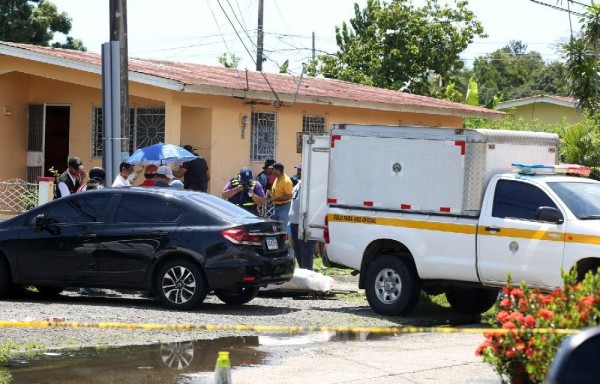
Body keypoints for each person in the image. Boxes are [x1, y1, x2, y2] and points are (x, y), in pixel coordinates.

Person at [289, 176, 316, 270]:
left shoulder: (310, 185)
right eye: (298, 170)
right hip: (295, 222)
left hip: (304, 222)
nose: (299, 172)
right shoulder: (298, 184)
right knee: (297, 249)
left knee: (305, 249)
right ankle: (302, 270)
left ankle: (308, 272)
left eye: (300, 170)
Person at [267, 163, 293, 229]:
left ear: (278, 170)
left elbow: (289, 196)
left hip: (284, 207)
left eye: (273, 169)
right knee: (275, 227)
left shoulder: (286, 181)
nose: (271, 171)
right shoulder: (277, 178)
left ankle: (283, 239)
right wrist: (269, 194)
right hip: (276, 206)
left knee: (282, 227)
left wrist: (275, 198)